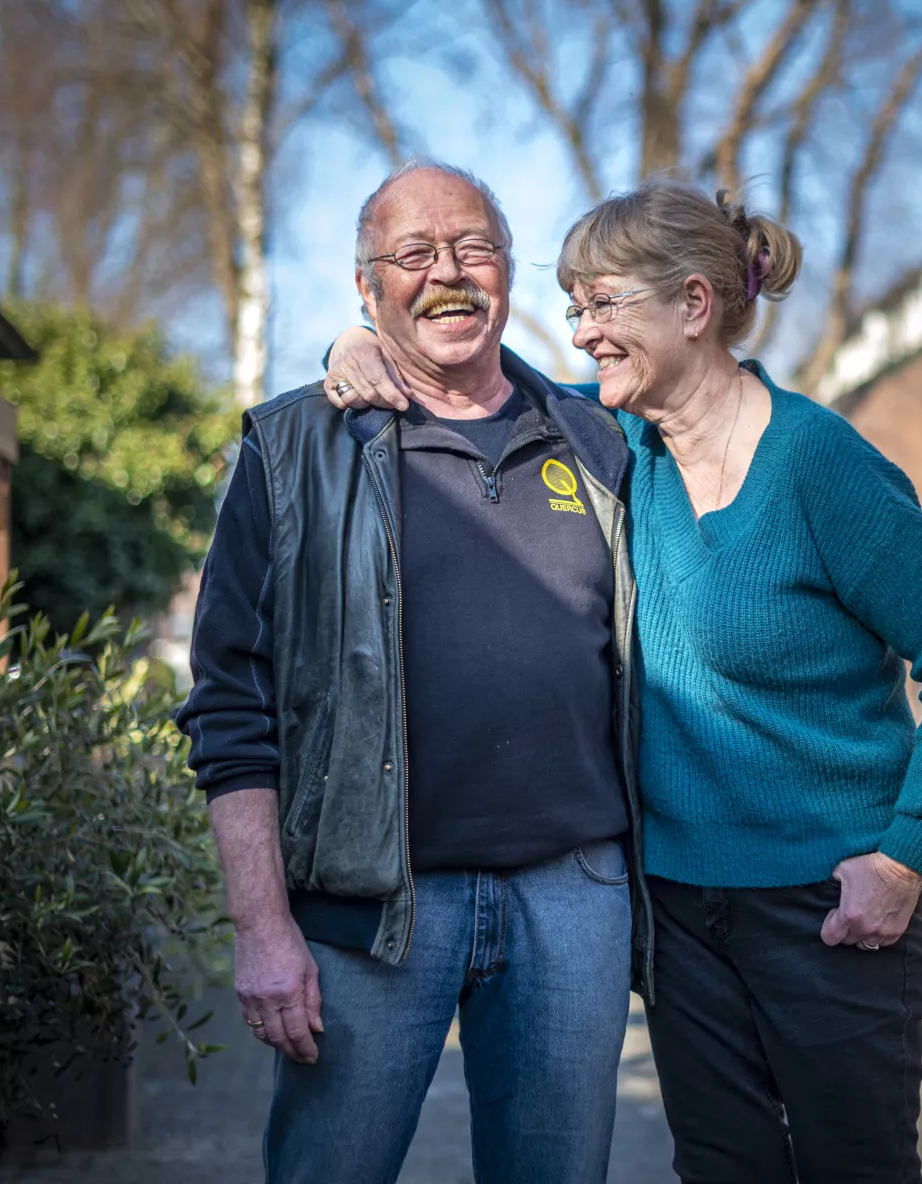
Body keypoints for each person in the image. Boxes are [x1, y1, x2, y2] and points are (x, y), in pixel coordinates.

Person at [323, 179, 922, 1183]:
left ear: (694, 305)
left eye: (604, 306)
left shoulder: (816, 462)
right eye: (575, 308)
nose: (584, 333)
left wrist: (908, 854)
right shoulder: (621, 452)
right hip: (680, 915)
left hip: (830, 905)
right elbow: (473, 377)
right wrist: (360, 349)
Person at [180, 160, 648, 1184]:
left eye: (473, 247)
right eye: (413, 254)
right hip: (368, 907)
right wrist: (262, 929)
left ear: (508, 271)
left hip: (574, 894)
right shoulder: (295, 446)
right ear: (365, 286)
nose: (449, 273)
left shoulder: (600, 436)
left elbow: (723, 387)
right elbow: (229, 704)